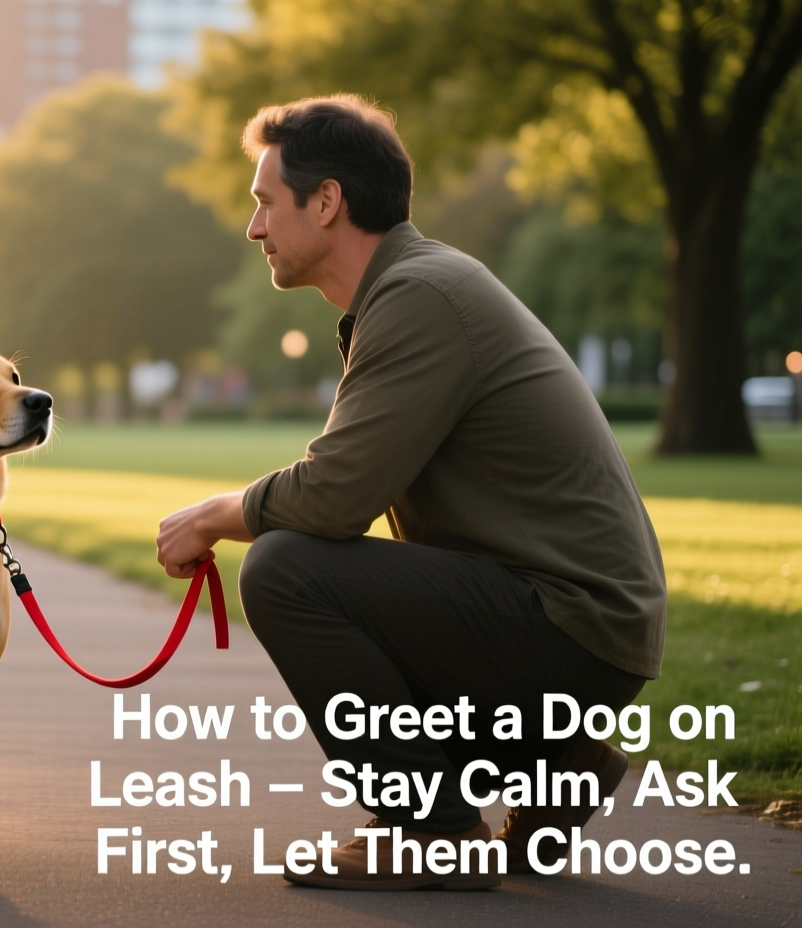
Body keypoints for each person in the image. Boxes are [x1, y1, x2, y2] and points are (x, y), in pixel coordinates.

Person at [154, 95, 665, 889]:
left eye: (264, 202)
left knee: (287, 569)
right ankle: (553, 762)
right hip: (573, 627)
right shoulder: (412, 289)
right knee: (329, 575)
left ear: (326, 202)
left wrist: (214, 516)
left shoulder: (421, 295)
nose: (255, 228)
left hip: (570, 625)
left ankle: (435, 829)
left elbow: (331, 498)